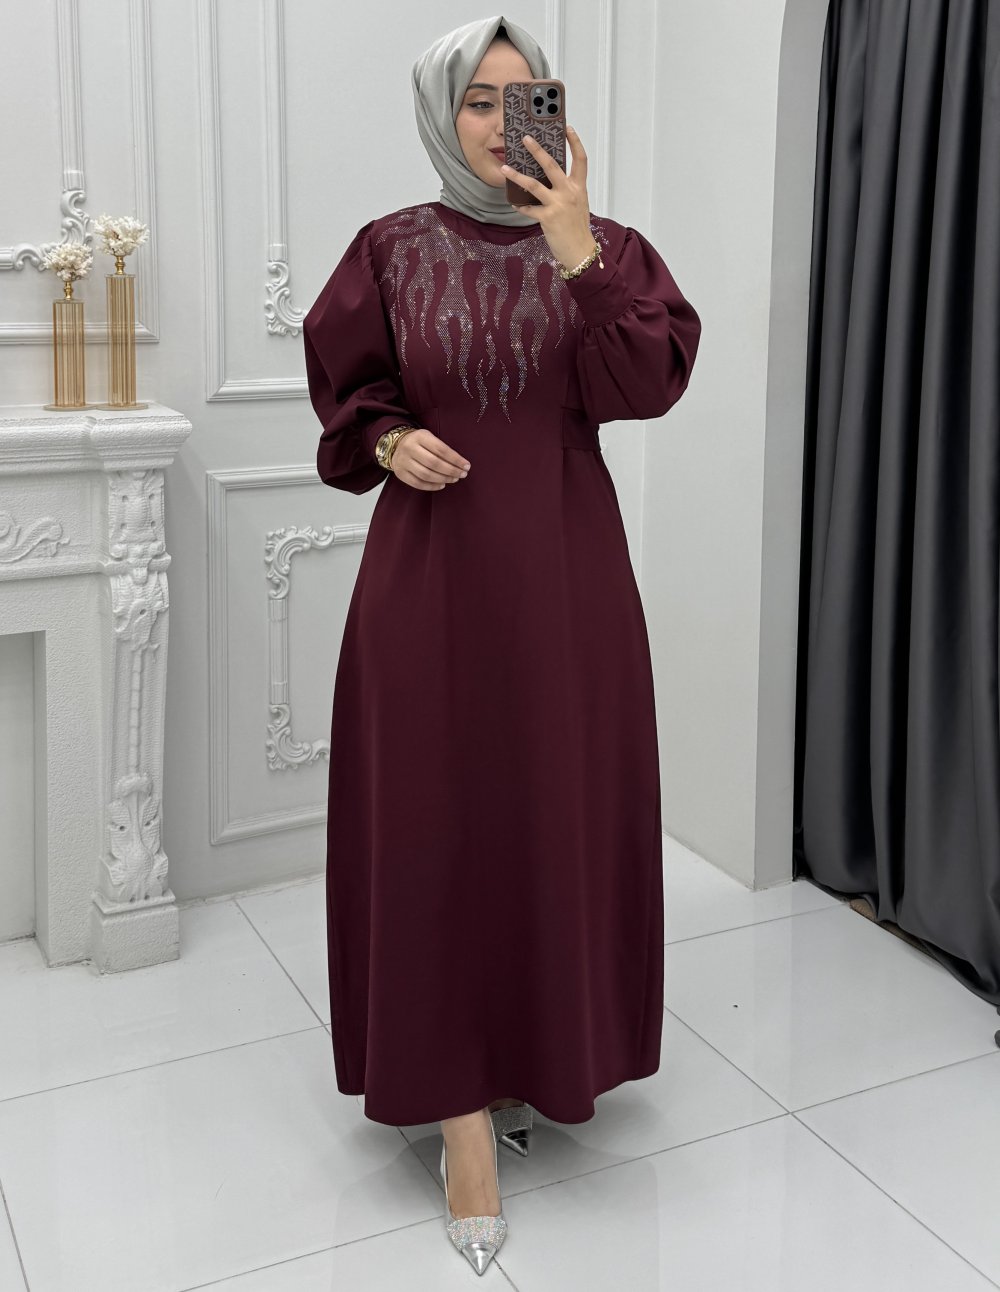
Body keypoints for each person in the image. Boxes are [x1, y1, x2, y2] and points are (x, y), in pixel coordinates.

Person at [302, 13, 702, 1276]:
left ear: (554, 116)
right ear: (440, 114)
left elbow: (646, 383)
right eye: (477, 100)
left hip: (568, 587)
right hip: (428, 585)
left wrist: (577, 250)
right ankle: (459, 1117)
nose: (498, 122)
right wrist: (386, 439)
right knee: (432, 826)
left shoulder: (609, 248)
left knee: (549, 815)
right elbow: (348, 394)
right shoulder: (388, 249)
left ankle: (531, 1054)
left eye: (523, 99)